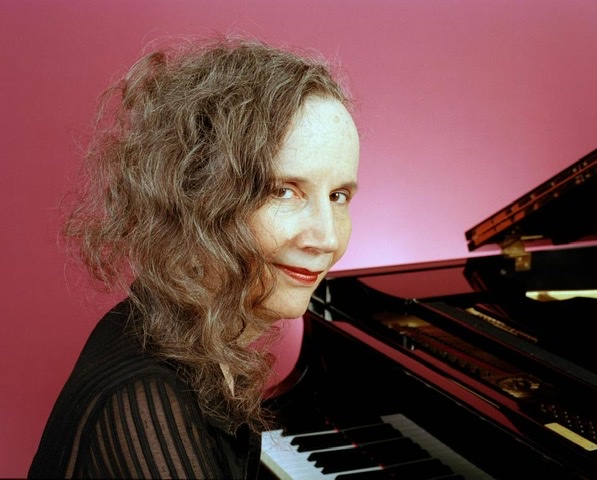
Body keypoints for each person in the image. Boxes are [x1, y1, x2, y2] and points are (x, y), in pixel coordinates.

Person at [29, 36, 360, 479]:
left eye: (339, 195)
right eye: (284, 190)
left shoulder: (160, 322)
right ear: (200, 194)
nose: (325, 237)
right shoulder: (148, 400)